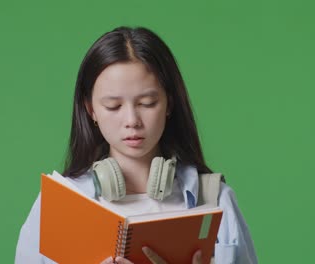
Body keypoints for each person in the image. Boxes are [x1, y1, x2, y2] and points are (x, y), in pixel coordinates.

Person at [15, 26, 258, 264]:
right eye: (113, 106)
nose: (132, 121)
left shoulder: (216, 201)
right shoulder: (58, 207)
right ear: (91, 110)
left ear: (169, 104)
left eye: (148, 103)